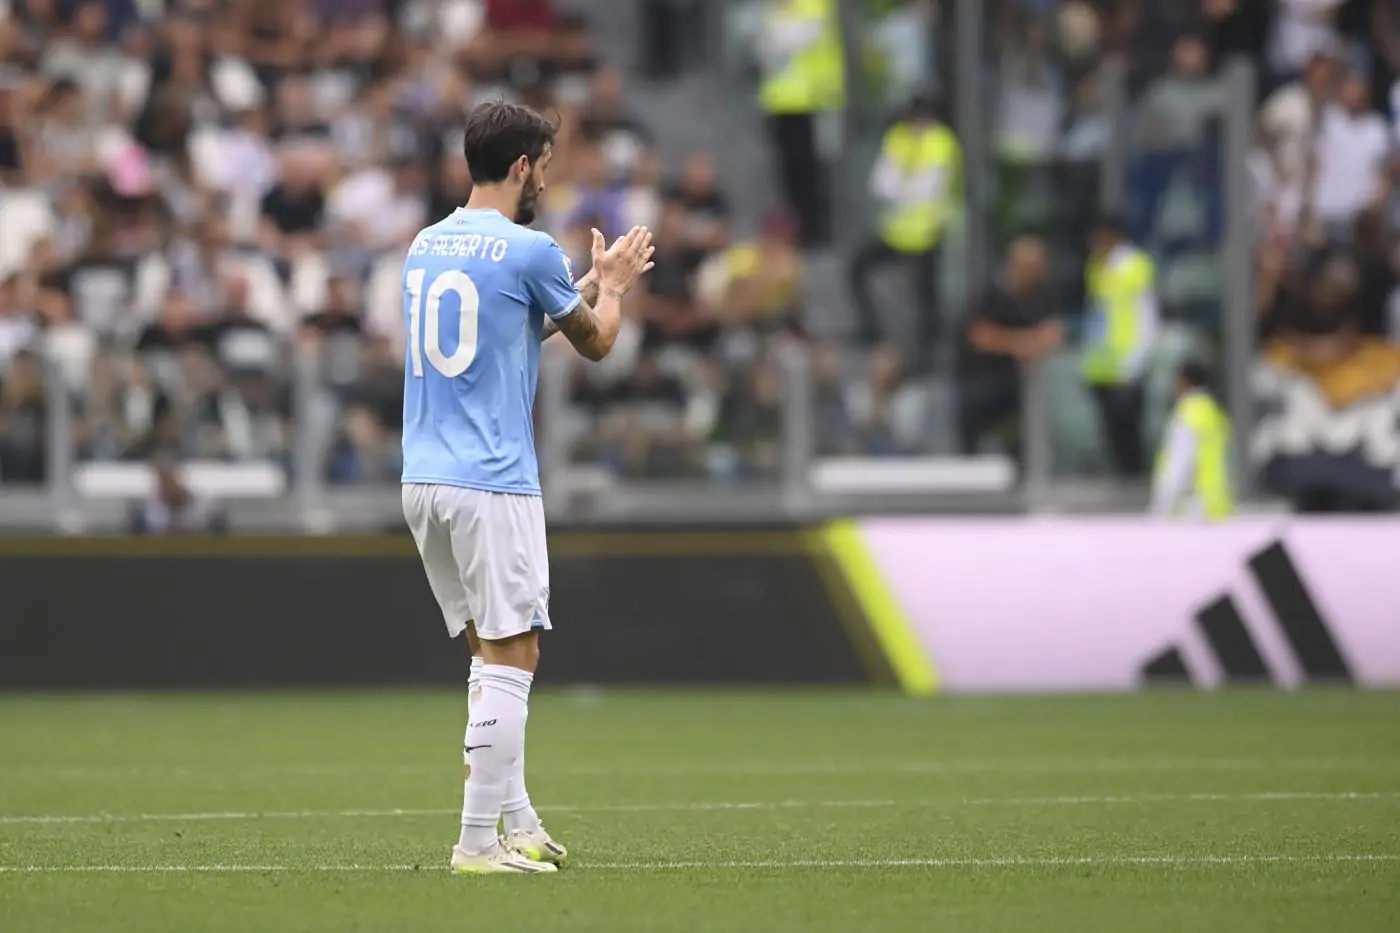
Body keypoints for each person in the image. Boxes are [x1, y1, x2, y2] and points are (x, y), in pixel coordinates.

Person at [399, 100, 654, 875]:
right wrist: (609, 287)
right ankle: (476, 844)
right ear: (520, 166)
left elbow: (500, 326)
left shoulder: (426, 243)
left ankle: (518, 821)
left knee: (488, 649)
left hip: (424, 478)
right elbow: (600, 343)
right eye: (545, 165)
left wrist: (570, 285)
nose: (547, 177)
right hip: (492, 480)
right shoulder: (529, 248)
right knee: (514, 655)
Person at [849, 92, 962, 372]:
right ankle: (871, 331)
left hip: (927, 234)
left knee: (927, 301)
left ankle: (928, 358)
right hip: (896, 232)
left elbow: (927, 192)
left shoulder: (942, 143)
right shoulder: (897, 137)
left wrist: (903, 184)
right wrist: (904, 185)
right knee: (858, 268)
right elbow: (881, 184)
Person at [955, 234, 1061, 457]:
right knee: (969, 447)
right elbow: (980, 336)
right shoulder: (990, 294)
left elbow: (1052, 335)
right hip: (980, 384)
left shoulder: (1039, 297)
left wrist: (1013, 340)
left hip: (1016, 389)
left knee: (1020, 446)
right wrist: (1021, 343)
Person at [1081, 214, 1158, 477]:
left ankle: (1133, 481)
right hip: (1102, 363)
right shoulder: (1096, 266)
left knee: (1129, 430)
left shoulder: (1133, 266)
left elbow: (1145, 314)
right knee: (1110, 431)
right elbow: (1097, 311)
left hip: (1127, 362)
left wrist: (1138, 358)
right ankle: (1119, 477)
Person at [1150, 360, 1233, 521]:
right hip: (1218, 508)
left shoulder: (1188, 414)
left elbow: (1179, 465)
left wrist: (1161, 508)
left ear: (1183, 381)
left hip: (1192, 510)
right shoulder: (1214, 413)